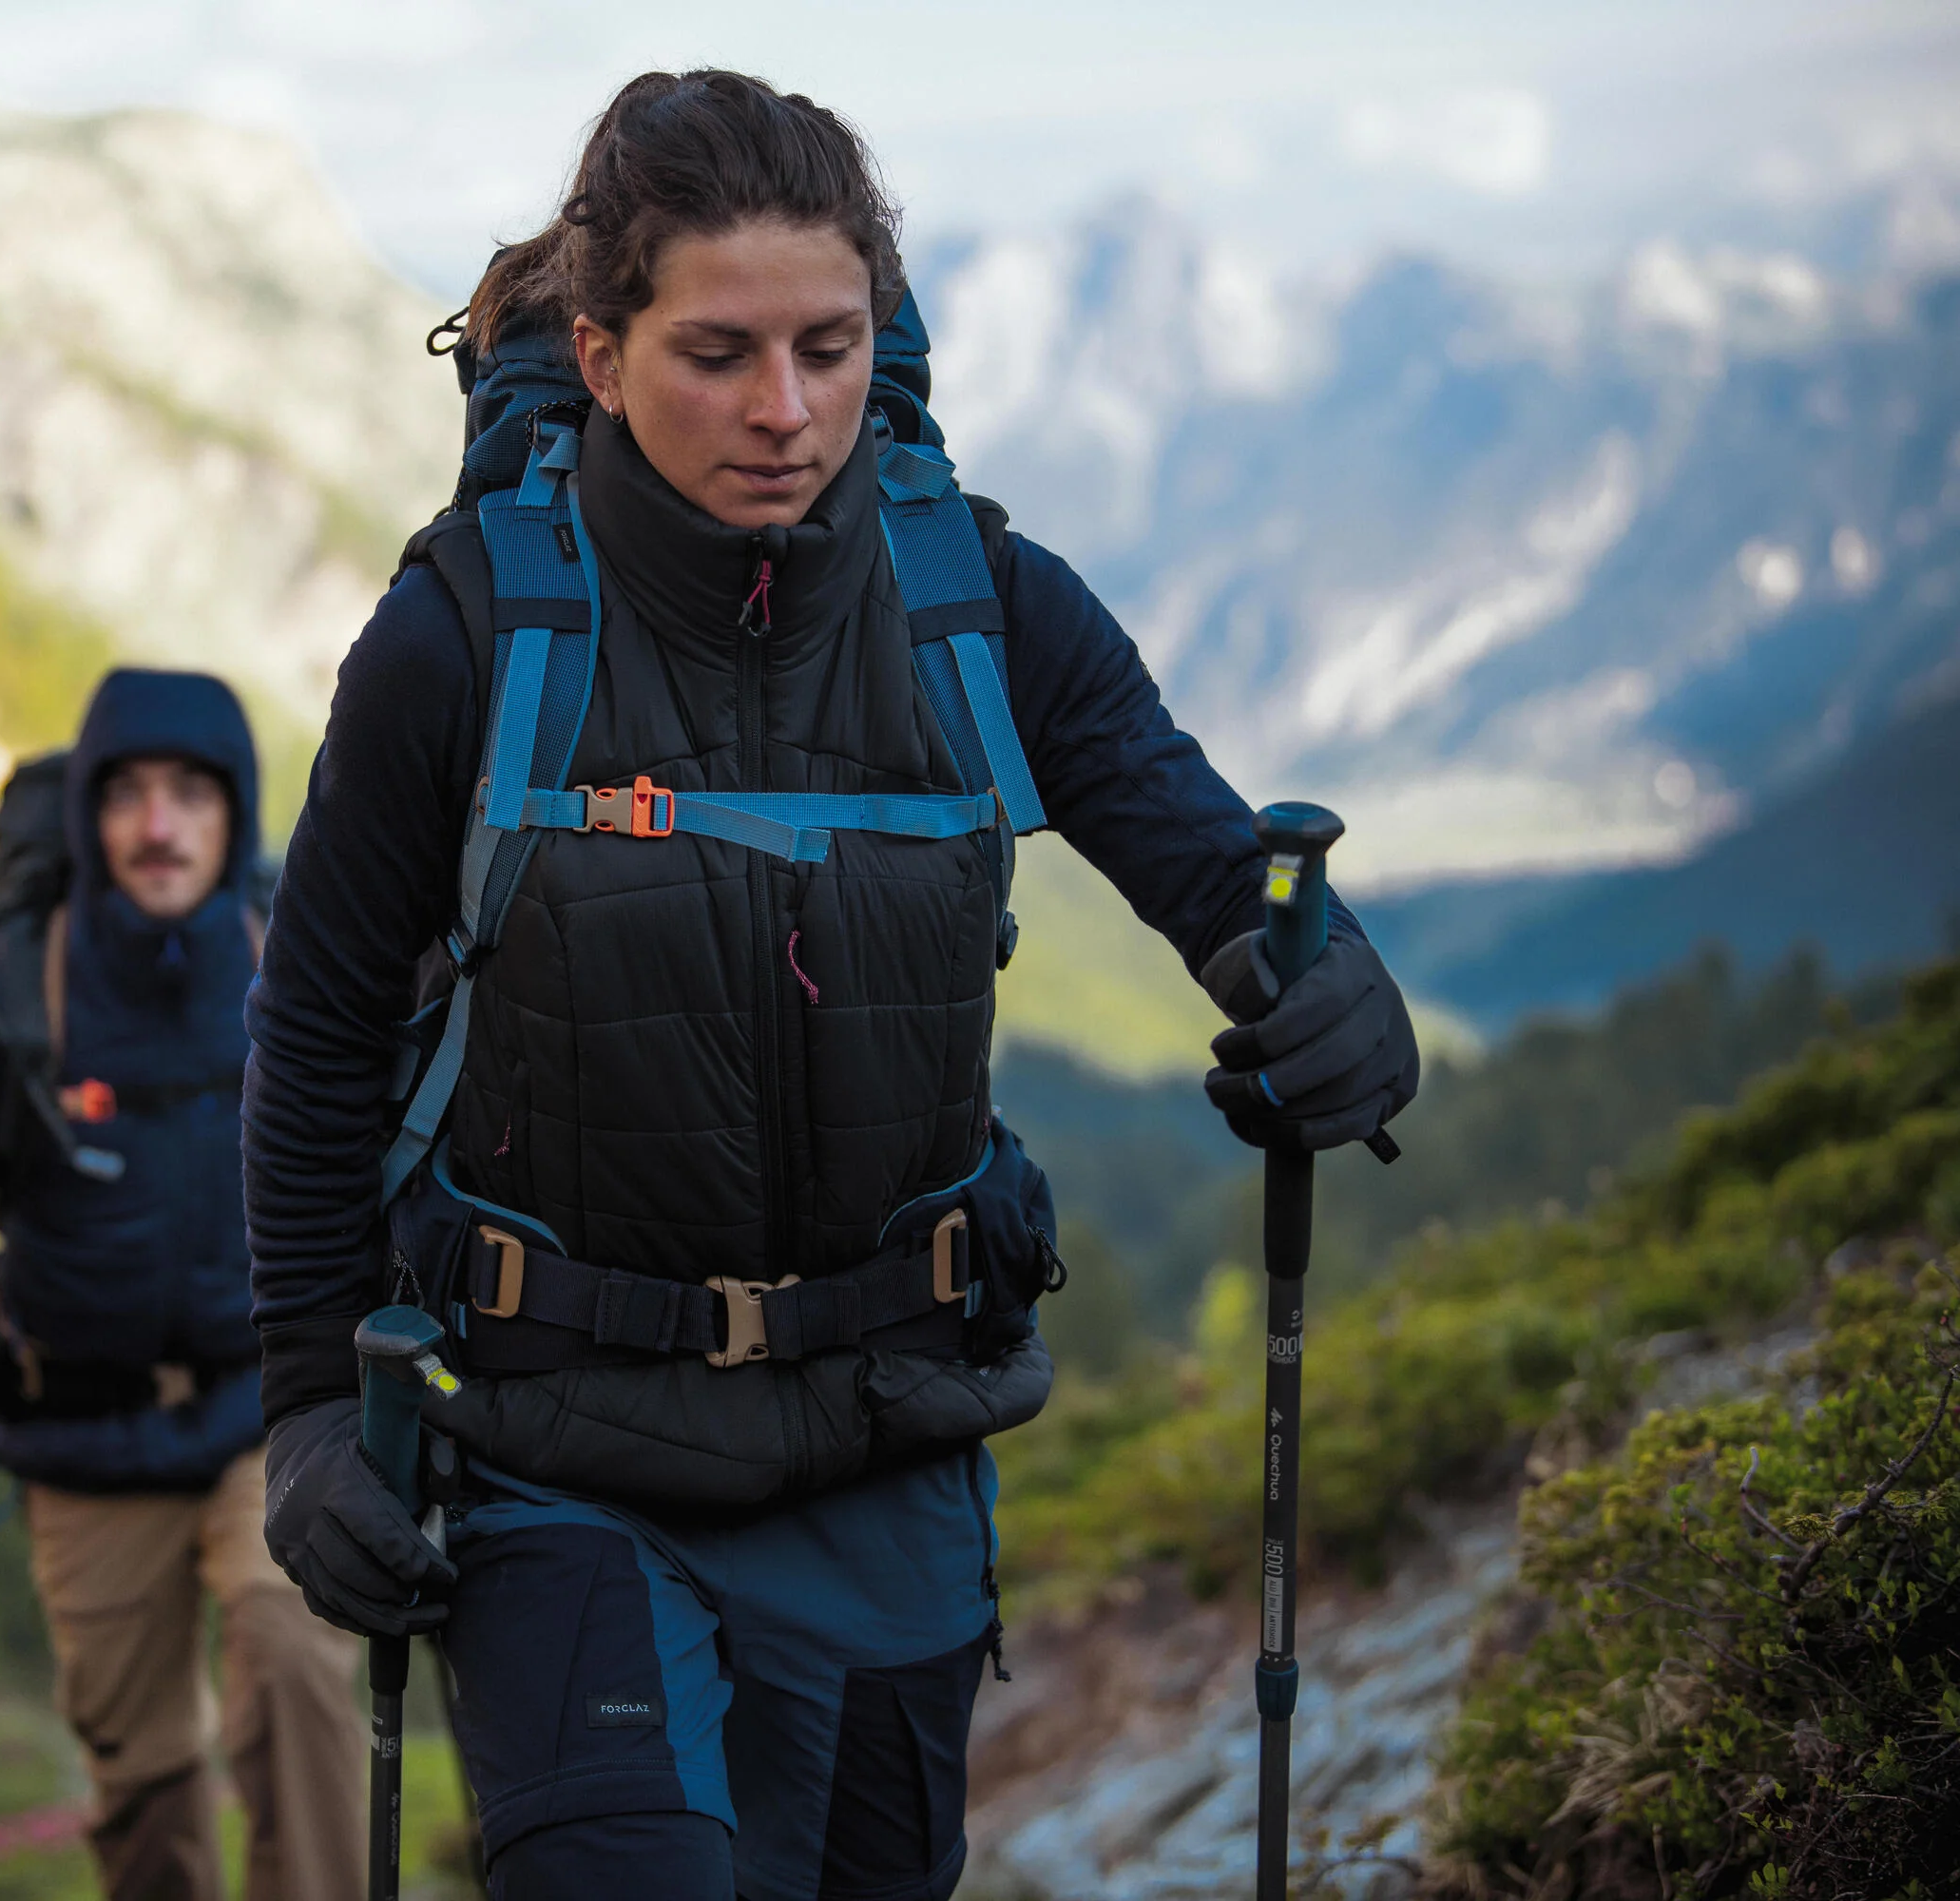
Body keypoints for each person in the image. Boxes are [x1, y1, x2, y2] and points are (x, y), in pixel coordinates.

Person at [243, 71, 1418, 1901]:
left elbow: (1215, 866)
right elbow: (314, 1032)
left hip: (888, 1441)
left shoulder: (977, 594)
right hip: (561, 1446)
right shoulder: (471, 631)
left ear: (886, 332)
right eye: (717, 351)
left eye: (829, 344)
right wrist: (314, 1409)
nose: (785, 412)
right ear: (602, 349)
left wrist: (1333, 997)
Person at [0, 669, 362, 1901]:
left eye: (187, 795)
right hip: (78, 1435)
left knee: (293, 1653)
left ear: (236, 813)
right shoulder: (1, 985)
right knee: (145, 1779)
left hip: (267, 1412)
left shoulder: (305, 958)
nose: (156, 825)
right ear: (87, 819)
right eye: (126, 795)